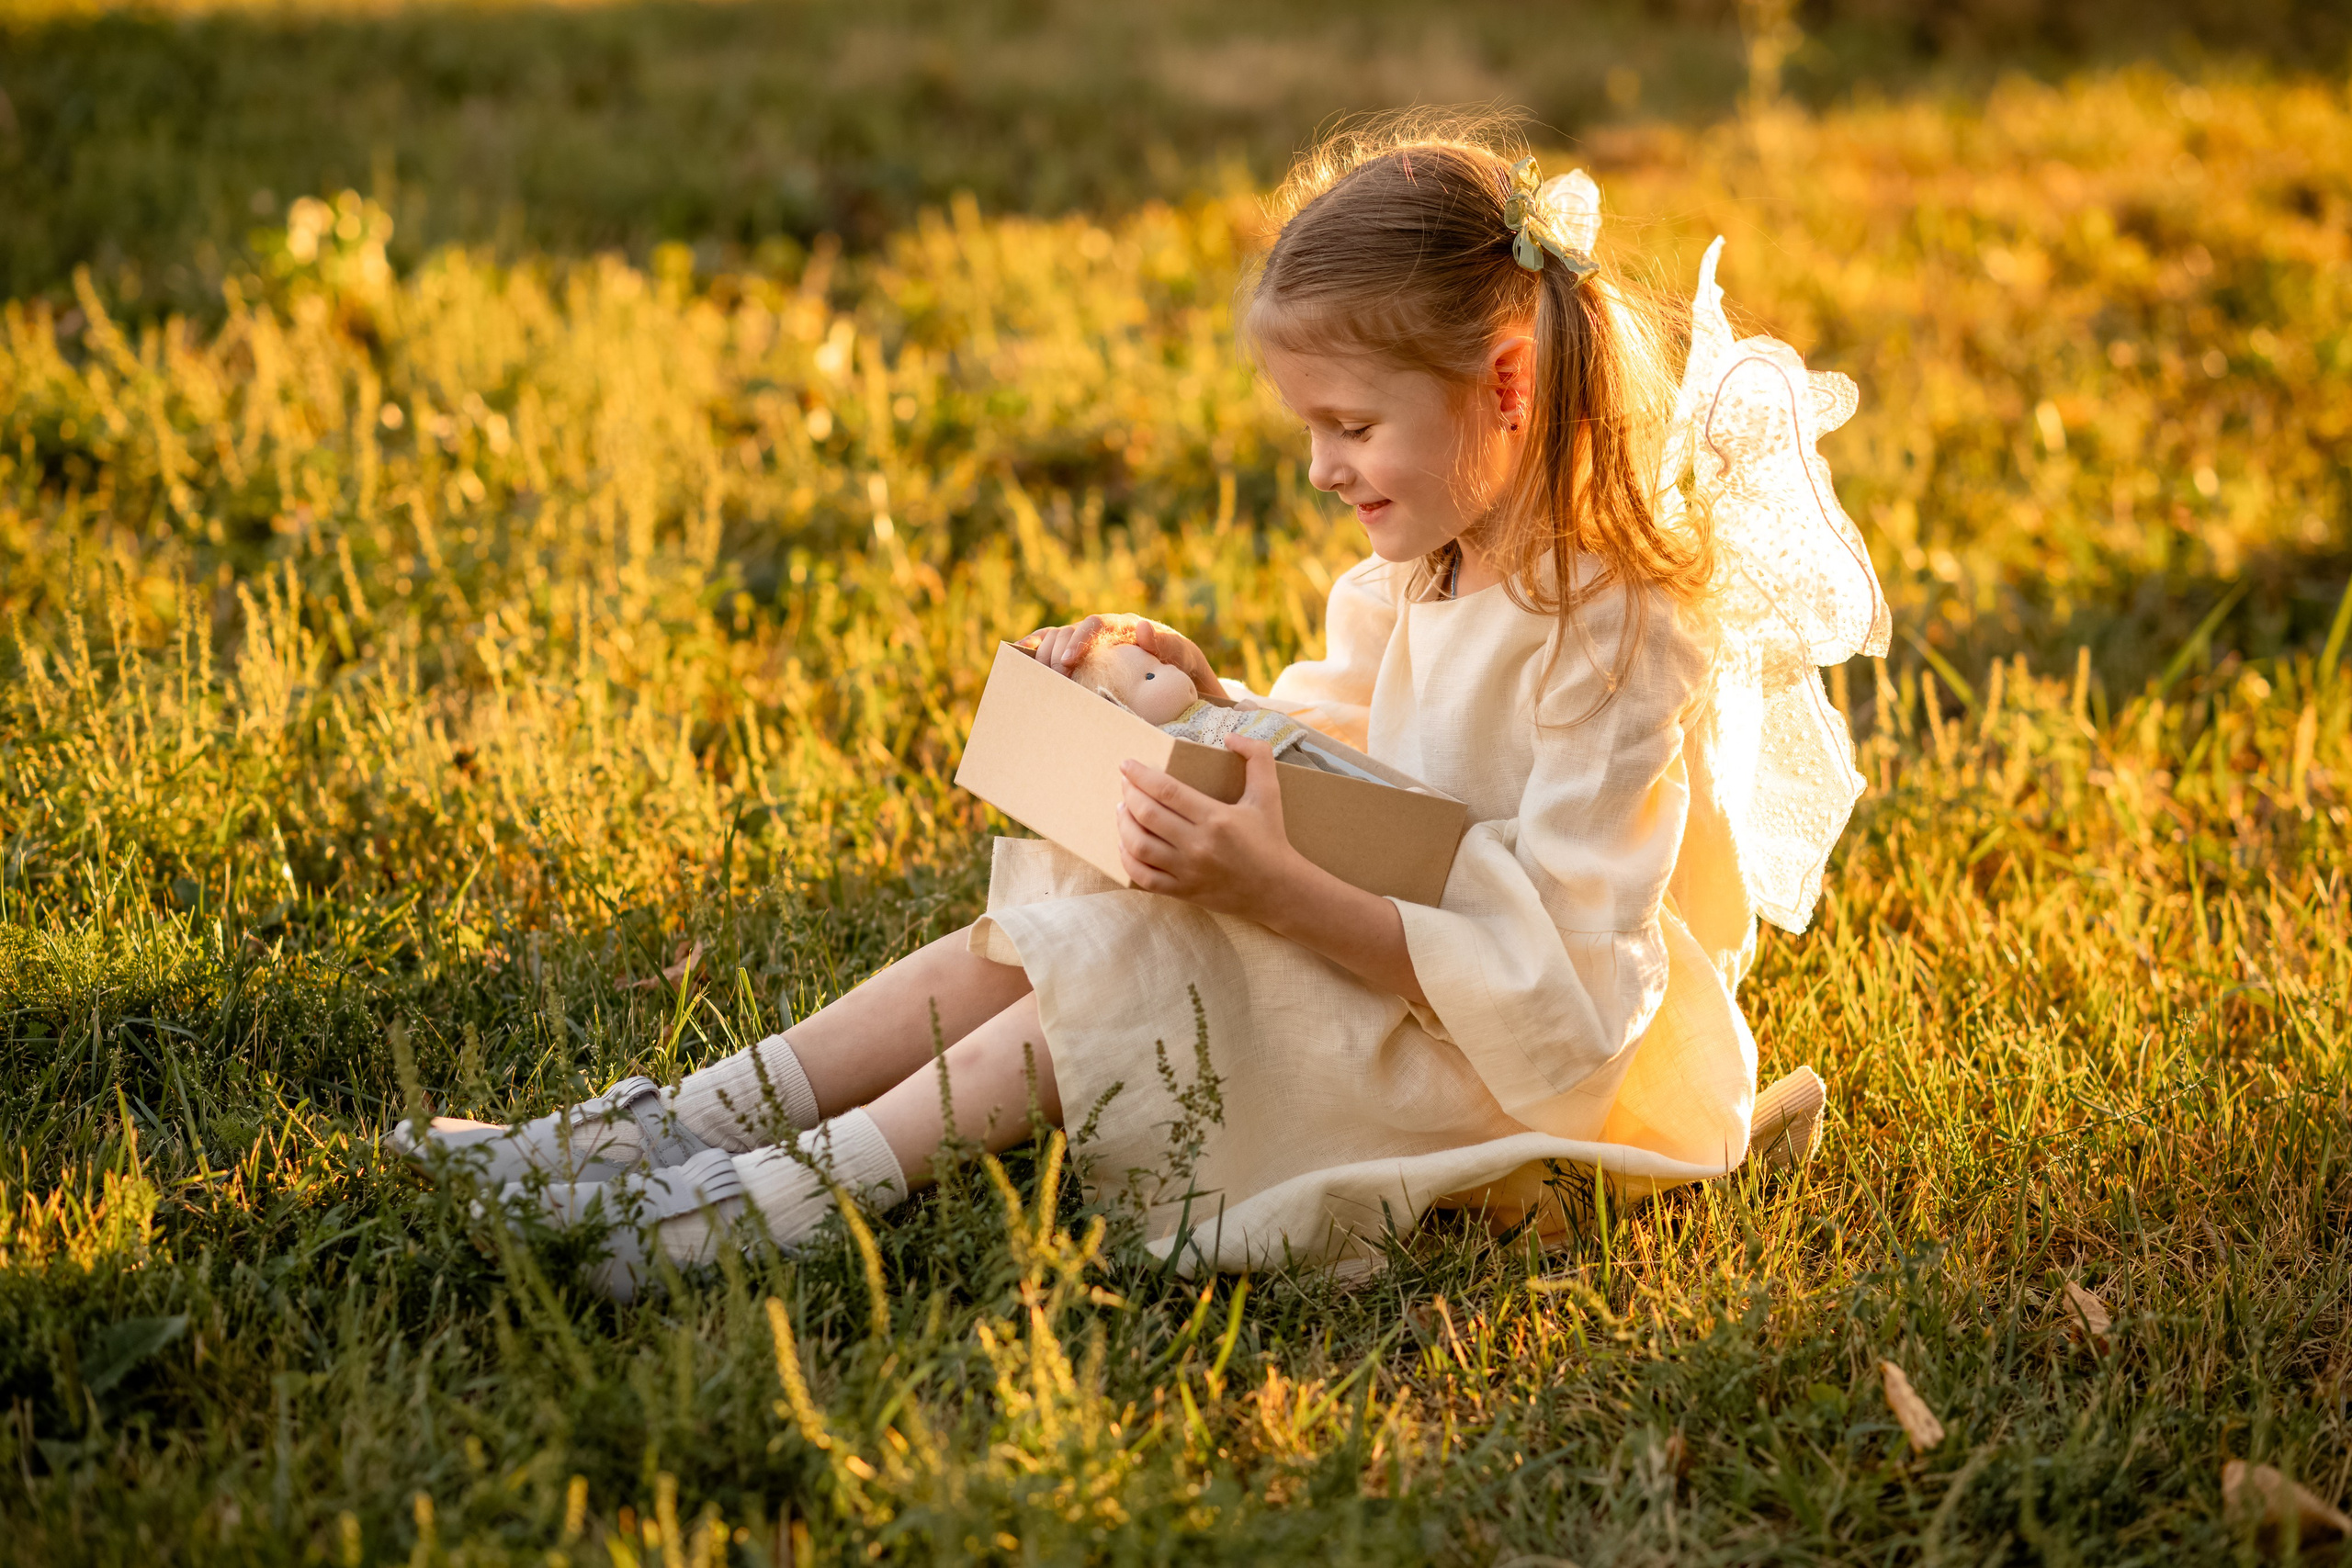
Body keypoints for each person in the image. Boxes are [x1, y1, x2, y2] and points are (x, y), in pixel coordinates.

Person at [395, 119, 1888, 1300]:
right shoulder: (1427, 559)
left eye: (1351, 426)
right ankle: (671, 1127)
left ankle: (755, 1211)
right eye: (1313, 428)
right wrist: (1199, 705)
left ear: (1505, 383)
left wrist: (1272, 889)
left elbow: (1568, 993)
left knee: (1113, 958)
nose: (1323, 470)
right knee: (1059, 911)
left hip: (1498, 1061)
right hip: (1385, 941)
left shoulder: (1616, 632)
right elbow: (1355, 768)